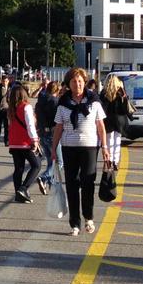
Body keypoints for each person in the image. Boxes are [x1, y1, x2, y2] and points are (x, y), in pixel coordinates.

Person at [51, 67, 110, 236]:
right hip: (69, 148)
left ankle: (88, 218)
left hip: (90, 147)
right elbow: (58, 127)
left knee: (88, 182)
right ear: (68, 84)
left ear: (85, 83)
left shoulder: (94, 102)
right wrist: (54, 149)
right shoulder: (63, 104)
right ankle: (74, 223)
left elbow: (101, 126)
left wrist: (105, 147)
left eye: (80, 81)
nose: (77, 84)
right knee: (72, 184)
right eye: (73, 81)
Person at [5, 83, 42, 203]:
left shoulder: (11, 109)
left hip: (14, 142)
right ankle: (23, 188)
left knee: (19, 168)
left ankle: (18, 194)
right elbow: (30, 125)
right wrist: (35, 140)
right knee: (36, 165)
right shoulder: (26, 107)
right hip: (25, 142)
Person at [99, 74, 132, 169]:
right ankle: (115, 161)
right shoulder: (121, 92)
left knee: (109, 140)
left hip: (108, 119)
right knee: (117, 140)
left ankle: (109, 159)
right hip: (119, 119)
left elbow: (102, 107)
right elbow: (125, 106)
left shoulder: (104, 93)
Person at [34, 80, 61, 194]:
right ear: (57, 90)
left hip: (42, 133)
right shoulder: (55, 102)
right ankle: (44, 177)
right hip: (52, 133)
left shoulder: (40, 101)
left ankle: (50, 183)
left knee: (51, 160)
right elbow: (58, 119)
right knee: (59, 161)